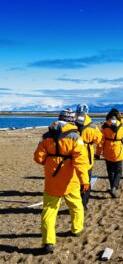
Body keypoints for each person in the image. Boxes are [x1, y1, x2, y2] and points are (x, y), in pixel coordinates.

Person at [34, 109, 89, 254]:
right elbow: (81, 162)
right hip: (70, 181)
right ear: (71, 120)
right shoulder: (75, 137)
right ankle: (76, 229)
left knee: (49, 211)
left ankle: (48, 242)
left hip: (52, 181)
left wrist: (51, 161)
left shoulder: (46, 136)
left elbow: (38, 158)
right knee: (76, 206)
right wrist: (85, 181)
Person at [75, 104, 103, 210]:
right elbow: (99, 140)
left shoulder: (71, 124)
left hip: (74, 156)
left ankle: (76, 203)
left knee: (75, 181)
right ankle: (84, 203)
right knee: (86, 180)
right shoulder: (92, 126)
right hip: (87, 156)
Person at [95, 108, 123, 198]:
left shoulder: (105, 126)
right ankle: (114, 187)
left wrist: (98, 153)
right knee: (118, 171)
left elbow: (101, 142)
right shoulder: (121, 125)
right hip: (118, 150)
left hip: (107, 150)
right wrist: (121, 119)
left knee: (110, 171)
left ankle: (112, 186)